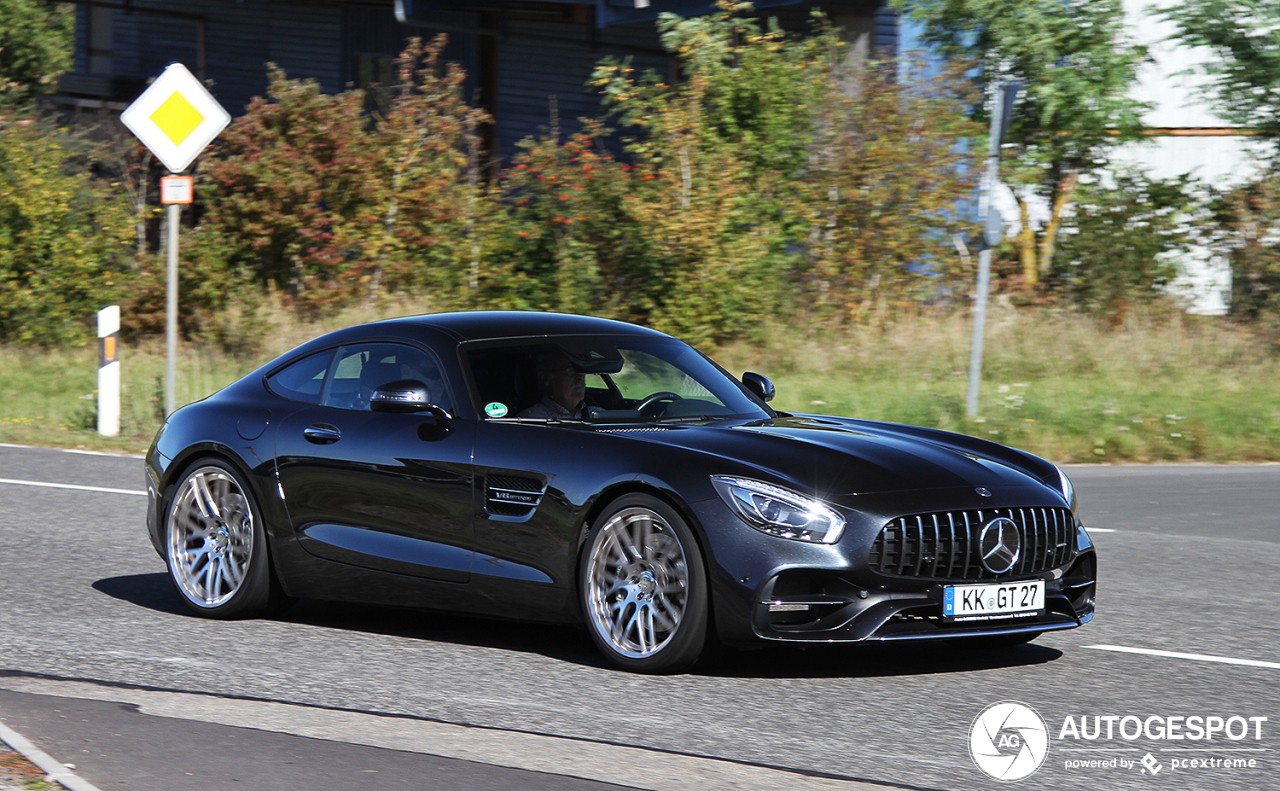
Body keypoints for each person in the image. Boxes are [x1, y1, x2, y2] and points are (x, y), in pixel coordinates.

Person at [518, 350, 597, 419]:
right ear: (546, 378)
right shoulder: (531, 420)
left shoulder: (598, 414)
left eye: (582, 371)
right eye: (571, 371)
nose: (581, 377)